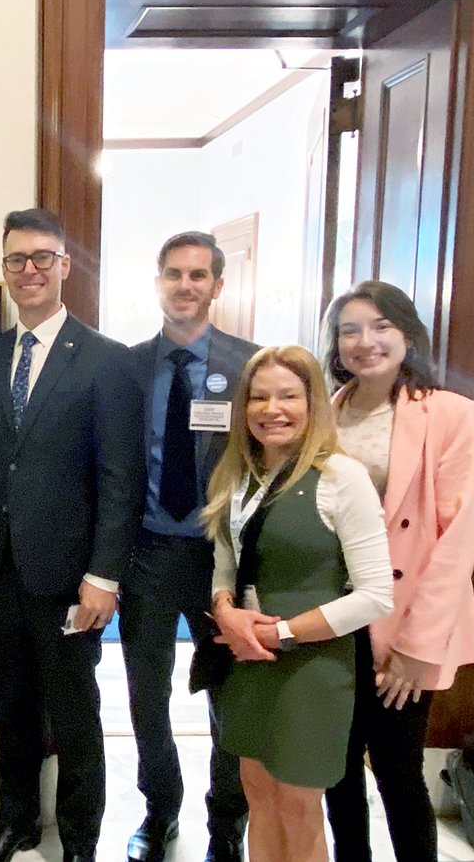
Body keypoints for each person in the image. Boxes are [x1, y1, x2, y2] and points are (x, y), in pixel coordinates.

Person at [0, 208, 145, 862]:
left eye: (41, 258)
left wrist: (105, 575)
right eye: (15, 260)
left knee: (76, 714)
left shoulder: (107, 361)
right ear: (3, 270)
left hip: (69, 577)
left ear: (65, 265)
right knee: (10, 705)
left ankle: (82, 840)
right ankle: (18, 822)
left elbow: (121, 478)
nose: (28, 271)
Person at [201, 345, 393, 862]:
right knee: (260, 798)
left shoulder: (341, 478)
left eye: (288, 395)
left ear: (313, 404)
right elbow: (225, 562)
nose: (271, 409)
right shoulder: (236, 476)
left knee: (298, 807)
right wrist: (225, 610)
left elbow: (376, 595)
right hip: (248, 662)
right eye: (258, 397)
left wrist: (278, 634)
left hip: (312, 667)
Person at [320, 281, 474, 862]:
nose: (366, 342)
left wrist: (419, 646)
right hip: (335, 618)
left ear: (408, 333)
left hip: (404, 622)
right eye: (349, 330)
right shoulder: (326, 412)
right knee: (335, 769)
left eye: (381, 326)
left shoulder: (451, 414)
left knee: (396, 769)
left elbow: (456, 539)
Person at [122, 231, 255, 862]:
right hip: (147, 554)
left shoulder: (251, 365)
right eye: (174, 273)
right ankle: (159, 810)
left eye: (198, 275)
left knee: (229, 693)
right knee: (145, 694)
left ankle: (227, 822)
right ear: (158, 282)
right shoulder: (127, 366)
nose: (185, 285)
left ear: (217, 286)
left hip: (221, 560)